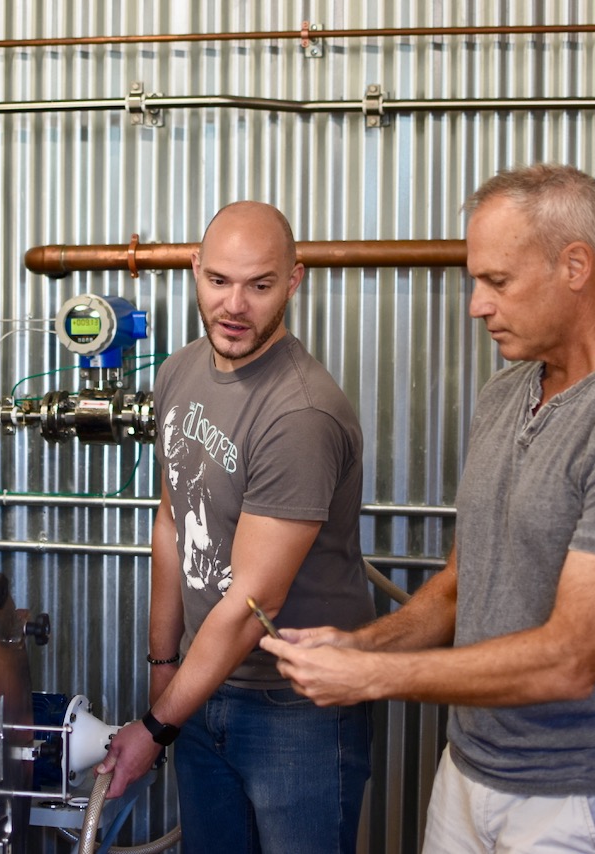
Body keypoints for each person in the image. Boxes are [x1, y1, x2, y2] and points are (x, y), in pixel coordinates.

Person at [261, 164, 595, 853]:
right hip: (471, 770)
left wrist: (371, 677)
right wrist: (360, 646)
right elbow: (460, 584)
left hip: (583, 799)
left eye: (497, 281)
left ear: (575, 266)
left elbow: (571, 660)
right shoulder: (506, 393)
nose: (477, 305)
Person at [97, 201, 373, 853]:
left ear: (294, 281)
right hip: (202, 686)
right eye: (219, 280)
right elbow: (172, 522)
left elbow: (255, 604)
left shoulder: (300, 413)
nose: (235, 306)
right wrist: (165, 670)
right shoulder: (180, 372)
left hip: (295, 706)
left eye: (260, 285)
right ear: (195, 269)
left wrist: (156, 726)